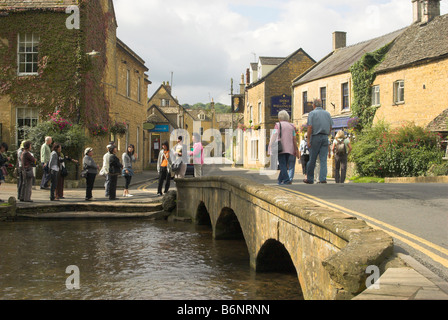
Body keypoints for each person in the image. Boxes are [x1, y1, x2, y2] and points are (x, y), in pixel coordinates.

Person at [303, 99, 334, 184]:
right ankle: (322, 179)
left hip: (315, 137)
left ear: (314, 105)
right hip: (325, 137)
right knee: (323, 160)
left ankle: (310, 179)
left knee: (312, 159)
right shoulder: (327, 114)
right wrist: (327, 135)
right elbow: (331, 127)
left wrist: (308, 140)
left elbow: (309, 127)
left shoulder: (312, 114)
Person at [269, 110, 299, 185]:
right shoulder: (291, 126)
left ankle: (286, 180)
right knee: (284, 164)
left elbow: (274, 136)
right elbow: (294, 138)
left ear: (279, 118)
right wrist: (296, 149)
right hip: (290, 148)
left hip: (280, 147)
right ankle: (279, 180)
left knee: (282, 164)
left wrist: (270, 145)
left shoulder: (277, 125)